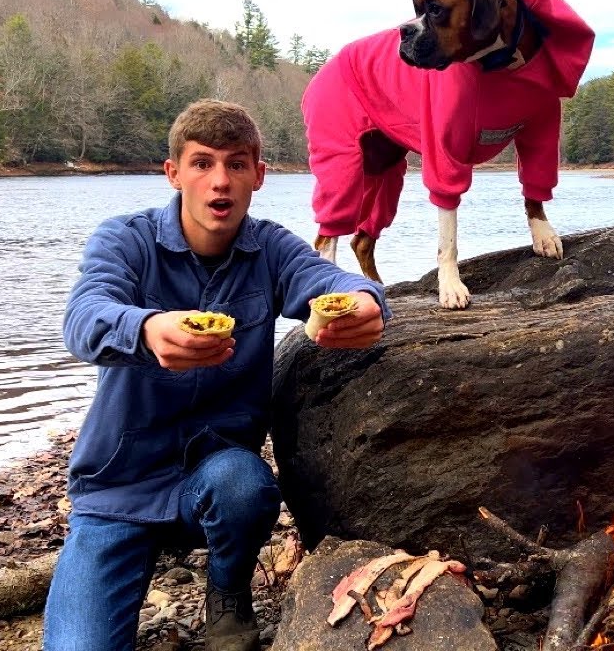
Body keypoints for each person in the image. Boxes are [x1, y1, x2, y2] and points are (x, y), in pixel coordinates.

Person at [43, 99, 389, 651]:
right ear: (173, 173)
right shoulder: (124, 241)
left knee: (244, 484)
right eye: (202, 163)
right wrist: (149, 328)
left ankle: (227, 594)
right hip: (118, 488)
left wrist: (365, 303)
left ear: (258, 175)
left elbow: (326, 278)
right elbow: (83, 319)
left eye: (235, 164)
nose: (219, 182)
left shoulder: (271, 248)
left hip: (216, 477)